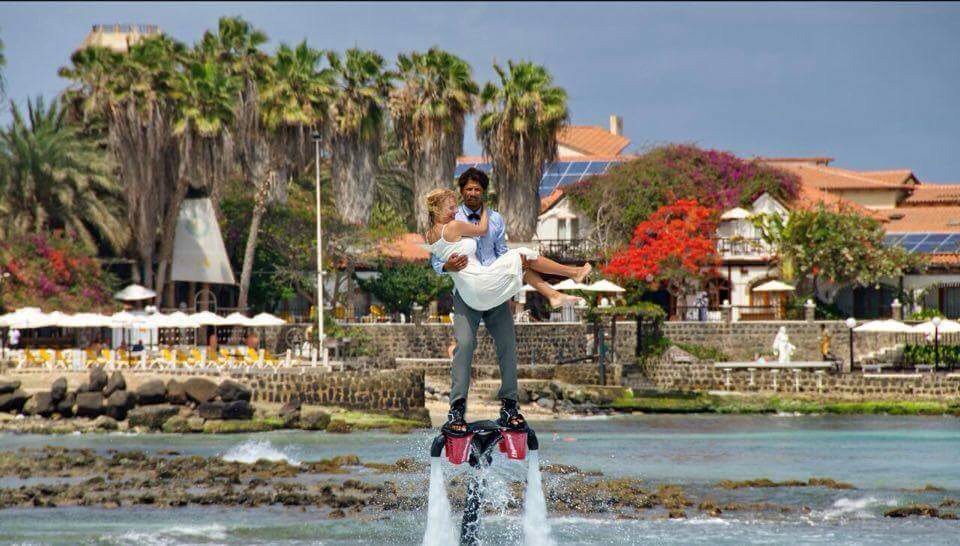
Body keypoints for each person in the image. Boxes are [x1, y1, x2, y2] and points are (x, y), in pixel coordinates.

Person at [428, 168, 592, 434]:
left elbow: (502, 252)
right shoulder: (450, 217)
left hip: (494, 291)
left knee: (507, 345)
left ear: (484, 191)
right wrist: (446, 266)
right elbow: (435, 259)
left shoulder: (495, 219)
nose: (472, 193)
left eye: (477, 189)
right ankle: (456, 410)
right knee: (465, 346)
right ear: (461, 192)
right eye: (468, 189)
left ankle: (510, 406)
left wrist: (505, 278)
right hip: (466, 295)